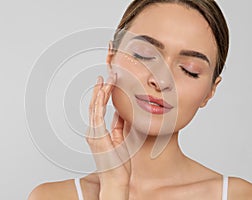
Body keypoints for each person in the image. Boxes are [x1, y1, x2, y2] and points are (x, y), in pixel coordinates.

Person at [29, 0, 252, 199]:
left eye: (189, 70)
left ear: (210, 91)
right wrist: (114, 187)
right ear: (111, 57)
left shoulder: (238, 195)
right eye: (144, 55)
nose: (161, 80)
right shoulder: (51, 196)